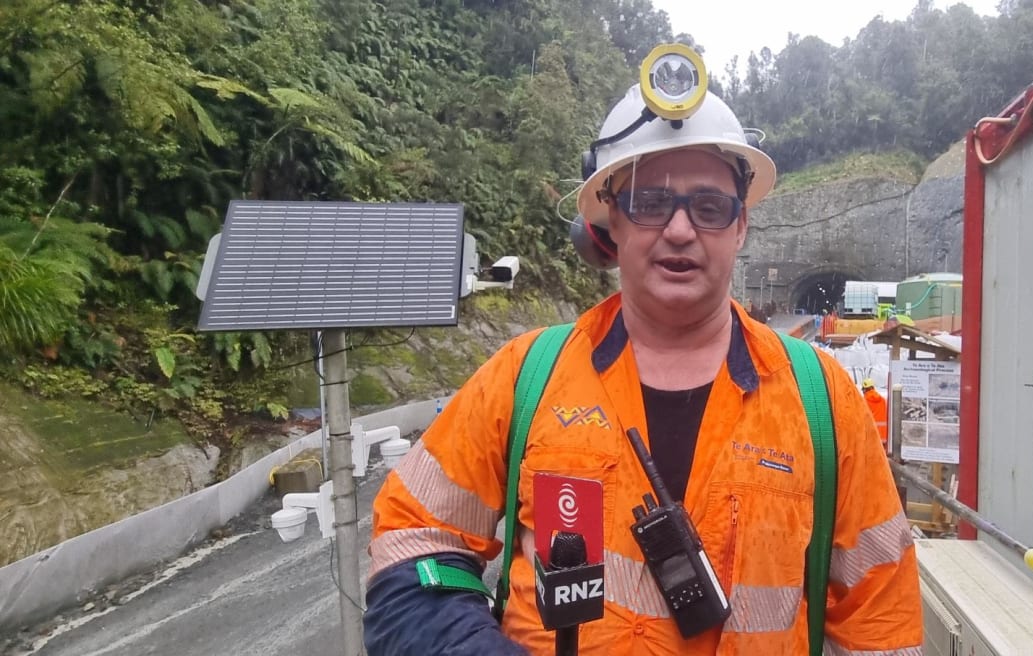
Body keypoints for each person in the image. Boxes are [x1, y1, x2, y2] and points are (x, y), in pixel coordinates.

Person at [363, 50, 922, 655]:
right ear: (610, 224)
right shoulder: (526, 378)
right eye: (651, 202)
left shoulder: (821, 400)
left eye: (709, 207)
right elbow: (411, 539)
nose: (680, 230)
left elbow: (881, 622)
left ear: (740, 227)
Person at [862, 378, 890, 448]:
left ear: (865, 389)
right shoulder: (882, 400)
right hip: (884, 436)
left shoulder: (864, 401)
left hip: (872, 435)